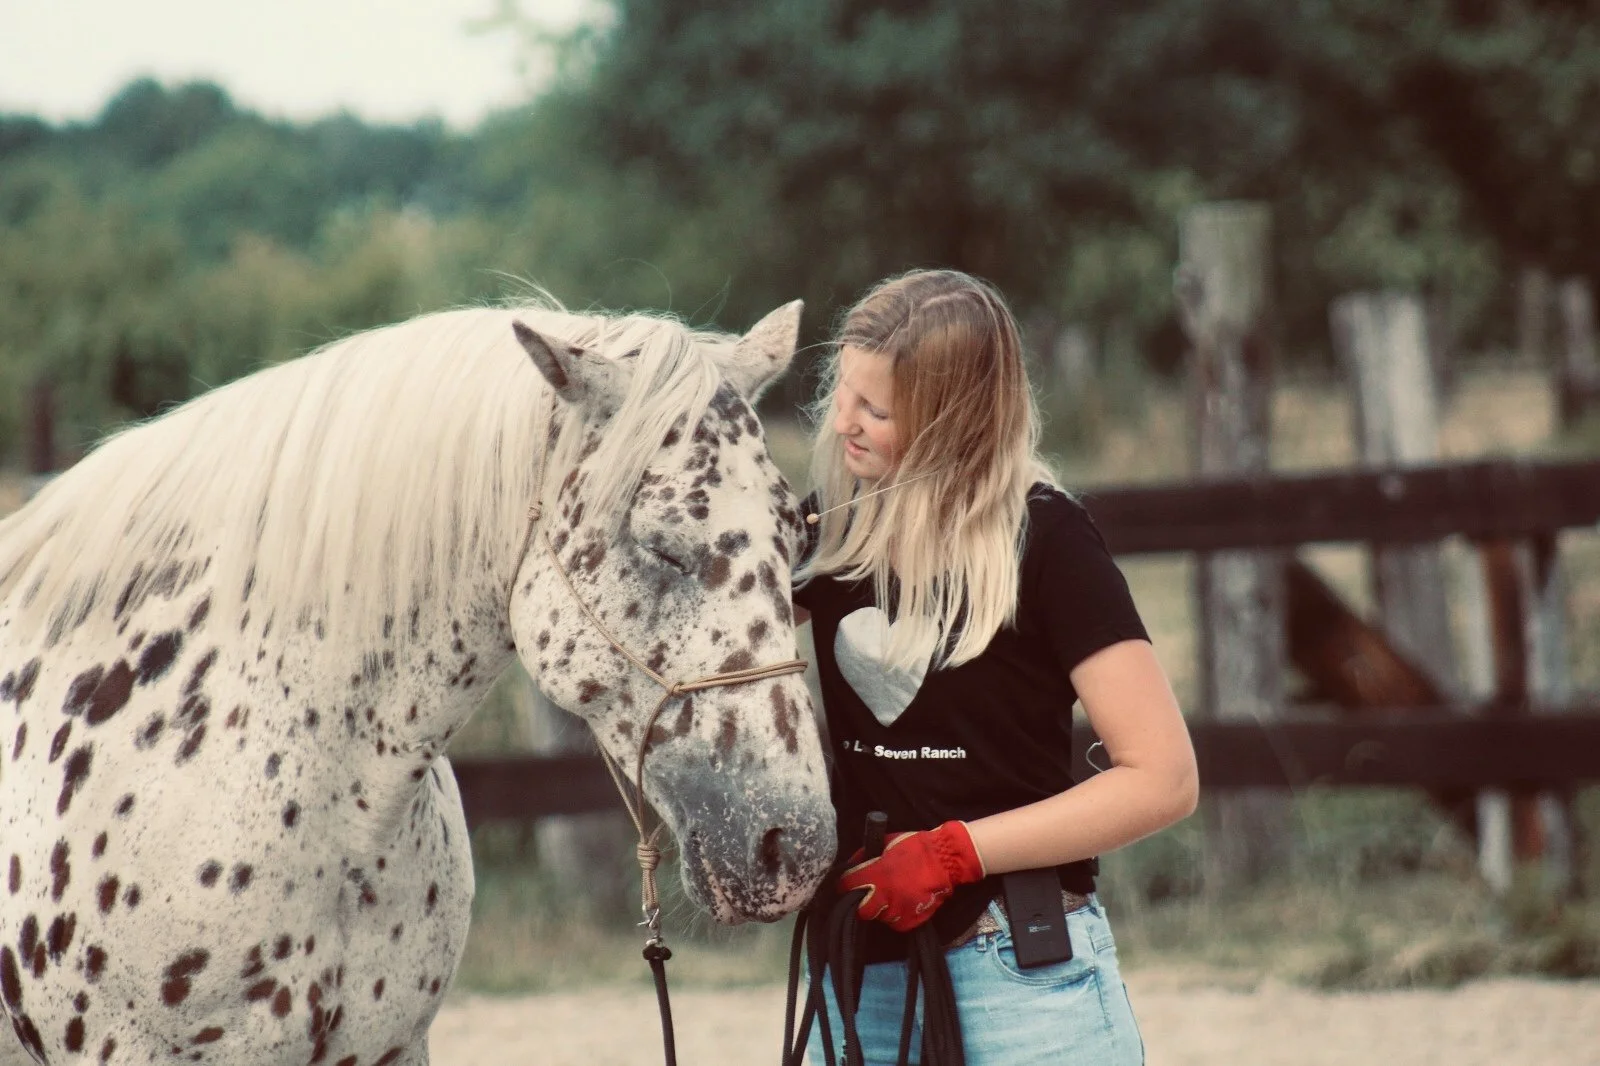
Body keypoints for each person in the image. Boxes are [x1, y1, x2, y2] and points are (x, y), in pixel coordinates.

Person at [791, 268, 1198, 1065]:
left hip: (1020, 965)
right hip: (861, 970)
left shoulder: (1047, 541)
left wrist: (955, 853)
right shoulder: (828, 531)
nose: (844, 423)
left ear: (953, 421)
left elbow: (1164, 778)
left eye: (876, 408)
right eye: (843, 392)